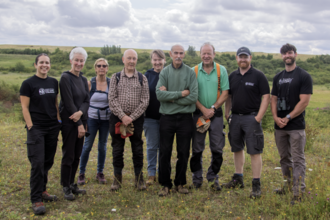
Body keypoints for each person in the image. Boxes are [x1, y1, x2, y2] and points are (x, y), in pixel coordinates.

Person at [224, 47, 270, 199]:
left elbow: (266, 97)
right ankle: (238, 178)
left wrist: (259, 117)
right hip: (235, 117)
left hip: (252, 118)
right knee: (237, 148)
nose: (242, 59)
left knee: (254, 151)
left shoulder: (258, 75)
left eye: (245, 57)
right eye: (240, 57)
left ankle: (256, 184)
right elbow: (228, 96)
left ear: (250, 58)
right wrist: (227, 113)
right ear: (236, 58)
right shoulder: (232, 76)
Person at [271, 43, 313, 205]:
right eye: (284, 53)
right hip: (279, 125)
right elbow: (273, 98)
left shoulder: (304, 76)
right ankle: (288, 186)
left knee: (298, 159)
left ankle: (298, 192)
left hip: (296, 125)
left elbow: (304, 102)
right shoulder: (278, 77)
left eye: (289, 53)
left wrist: (288, 117)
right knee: (284, 158)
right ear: (281, 56)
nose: (287, 56)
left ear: (295, 54)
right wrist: (275, 117)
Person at [20, 53, 61, 215]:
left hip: (52, 127)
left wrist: (58, 121)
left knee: (47, 161)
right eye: (42, 62)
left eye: (47, 63)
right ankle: (36, 199)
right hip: (36, 128)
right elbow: (24, 107)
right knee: (37, 163)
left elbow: (55, 103)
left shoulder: (53, 82)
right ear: (36, 64)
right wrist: (31, 126)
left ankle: (43, 190)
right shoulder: (28, 83)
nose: (45, 65)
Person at [156, 44, 198, 196]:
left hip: (185, 118)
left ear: (184, 54)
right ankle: (165, 184)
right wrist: (180, 94)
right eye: (176, 53)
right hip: (167, 118)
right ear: (170, 54)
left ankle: (180, 183)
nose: (178, 55)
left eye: (181, 53)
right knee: (165, 152)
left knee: (184, 152)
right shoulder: (164, 72)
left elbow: (193, 97)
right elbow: (159, 95)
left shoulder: (190, 72)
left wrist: (171, 98)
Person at [189, 42, 229, 191]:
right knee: (197, 148)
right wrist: (203, 109)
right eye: (203, 53)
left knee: (217, 148)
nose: (206, 56)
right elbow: (192, 94)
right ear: (200, 54)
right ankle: (197, 179)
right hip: (199, 115)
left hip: (216, 115)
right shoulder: (193, 71)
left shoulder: (221, 70)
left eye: (209, 53)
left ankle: (213, 178)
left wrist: (213, 108)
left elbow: (225, 92)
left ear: (214, 54)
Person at [108, 49, 149, 191]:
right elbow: (112, 99)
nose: (131, 61)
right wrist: (123, 116)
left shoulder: (142, 78)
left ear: (136, 60)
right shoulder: (116, 77)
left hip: (136, 119)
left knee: (137, 148)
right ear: (123, 59)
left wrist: (131, 117)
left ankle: (139, 179)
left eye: (134, 58)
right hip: (117, 118)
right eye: (129, 58)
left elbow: (145, 101)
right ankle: (117, 179)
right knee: (117, 149)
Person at [59, 47, 90, 200]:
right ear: (71, 61)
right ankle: (65, 186)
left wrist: (81, 113)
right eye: (76, 60)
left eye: (81, 60)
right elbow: (68, 101)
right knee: (68, 154)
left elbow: (86, 100)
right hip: (69, 122)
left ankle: (72, 183)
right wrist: (77, 119)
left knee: (77, 154)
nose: (78, 63)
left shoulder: (83, 80)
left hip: (81, 121)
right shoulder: (65, 78)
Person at [78, 58, 111, 185]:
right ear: (95, 68)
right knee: (87, 146)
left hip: (106, 120)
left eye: (104, 65)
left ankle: (100, 172)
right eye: (99, 66)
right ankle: (81, 173)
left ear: (107, 68)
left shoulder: (111, 83)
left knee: (102, 147)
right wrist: (83, 120)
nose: (101, 68)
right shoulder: (90, 83)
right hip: (91, 119)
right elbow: (83, 102)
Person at [143, 50, 166, 185]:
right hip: (150, 118)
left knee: (164, 147)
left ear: (164, 60)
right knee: (152, 146)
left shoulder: (169, 73)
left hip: (167, 117)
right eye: (155, 60)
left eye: (160, 59)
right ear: (151, 61)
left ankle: (162, 171)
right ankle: (151, 173)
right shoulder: (146, 76)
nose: (157, 62)